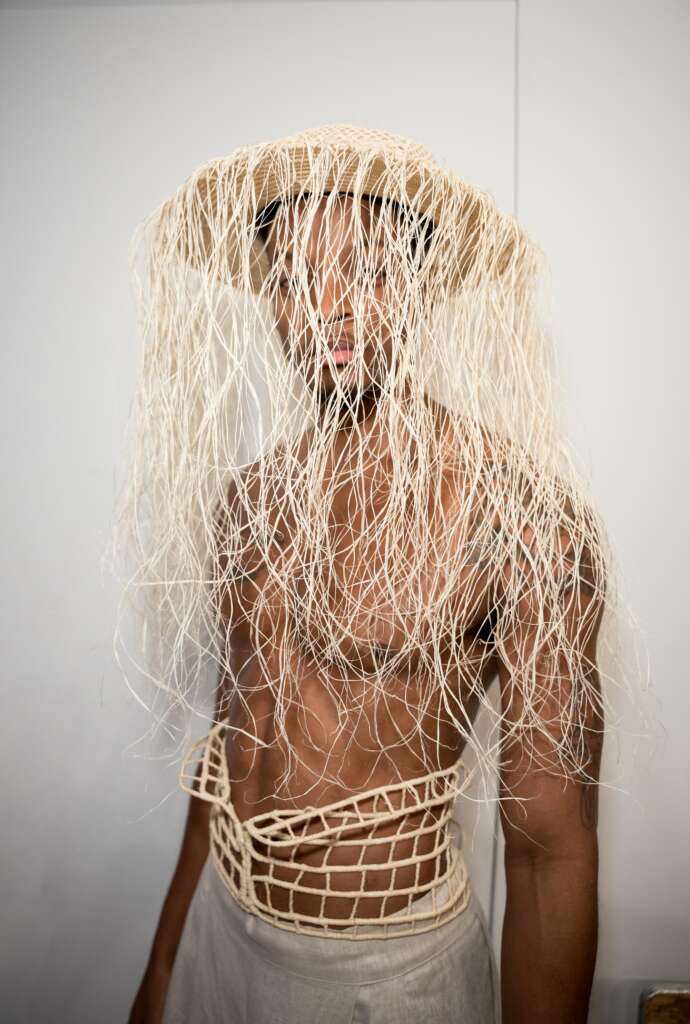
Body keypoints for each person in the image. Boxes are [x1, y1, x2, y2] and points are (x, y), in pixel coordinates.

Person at [113, 124, 617, 1023]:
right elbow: (232, 749)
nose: (329, 307)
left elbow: (551, 853)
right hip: (220, 934)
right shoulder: (253, 498)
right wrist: (162, 973)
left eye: (370, 271)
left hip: (386, 976)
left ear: (422, 288)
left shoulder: (520, 520)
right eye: (293, 279)